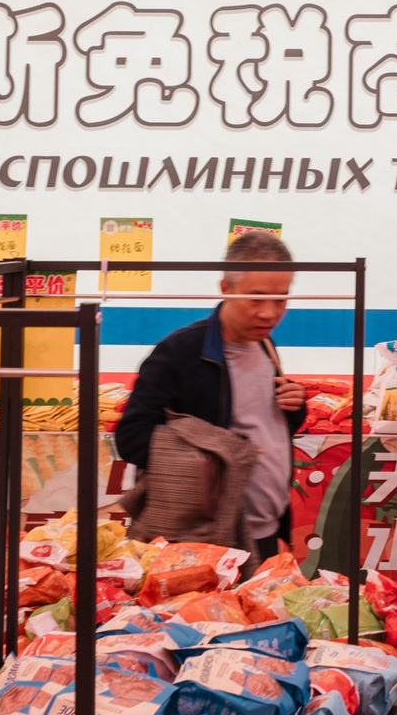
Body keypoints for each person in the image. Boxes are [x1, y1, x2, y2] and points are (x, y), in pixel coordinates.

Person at [114, 230, 309, 558]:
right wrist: (219, 451)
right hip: (203, 542)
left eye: (281, 299)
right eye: (256, 298)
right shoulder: (179, 352)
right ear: (226, 288)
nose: (269, 313)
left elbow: (262, 429)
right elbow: (132, 438)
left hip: (266, 535)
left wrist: (293, 408)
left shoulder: (266, 346)